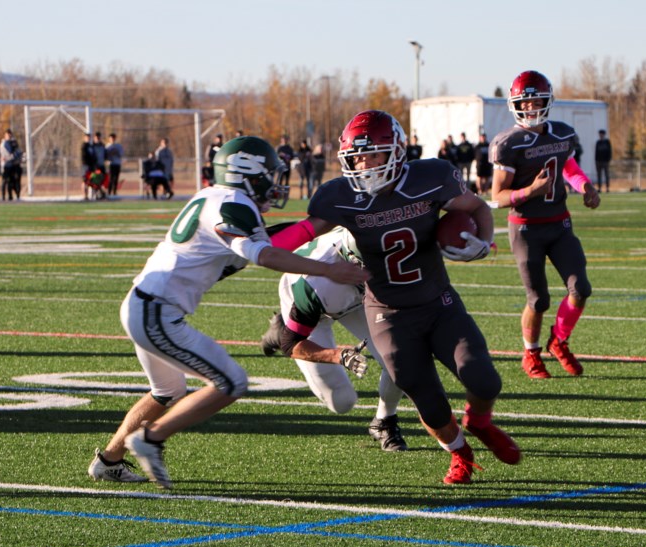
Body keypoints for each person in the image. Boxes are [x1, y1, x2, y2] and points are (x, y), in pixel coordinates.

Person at [95, 136, 369, 488]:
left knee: (167, 391)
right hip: (156, 312)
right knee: (232, 382)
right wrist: (330, 269)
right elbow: (266, 255)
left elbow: (268, 243)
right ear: (247, 173)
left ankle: (109, 460)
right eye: (269, 174)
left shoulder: (213, 196)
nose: (274, 182)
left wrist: (322, 223)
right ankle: (151, 439)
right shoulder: (233, 202)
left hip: (143, 304)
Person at [266, 110, 519, 485]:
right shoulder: (339, 197)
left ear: (397, 151)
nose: (364, 164)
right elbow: (300, 234)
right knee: (428, 403)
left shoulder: (430, 177)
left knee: (484, 380)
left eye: (373, 155)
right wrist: (252, 244)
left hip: (438, 302)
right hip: (388, 315)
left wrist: (483, 243)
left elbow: (478, 208)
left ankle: (478, 421)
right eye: (357, 157)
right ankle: (461, 453)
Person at [490, 70, 601, 380]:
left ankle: (559, 340)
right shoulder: (507, 143)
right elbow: (496, 197)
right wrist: (530, 192)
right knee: (538, 300)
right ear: (515, 105)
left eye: (536, 100)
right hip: (526, 228)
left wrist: (585, 187)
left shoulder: (561, 133)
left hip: (559, 223)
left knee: (581, 288)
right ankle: (531, 352)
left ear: (547, 100)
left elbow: (568, 167)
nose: (531, 107)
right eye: (525, 102)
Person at [259, 227, 408, 452]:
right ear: (349, 260)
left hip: (357, 301)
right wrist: (340, 356)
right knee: (341, 401)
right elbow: (292, 345)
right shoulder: (314, 286)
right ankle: (283, 327)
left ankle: (384, 421)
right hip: (313, 304)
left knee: (400, 357)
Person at [0, 129, 23, 200]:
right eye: (8, 135)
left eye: (10, 135)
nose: (9, 136)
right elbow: (9, 155)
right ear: (5, 135)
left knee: (14, 181)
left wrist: (16, 155)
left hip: (14, 165)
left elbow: (19, 151)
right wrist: (14, 155)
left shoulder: (13, 143)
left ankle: (16, 195)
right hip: (6, 165)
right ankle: (4, 196)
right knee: (5, 181)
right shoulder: (4, 144)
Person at [80, 132, 97, 199]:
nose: (88, 139)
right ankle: (85, 195)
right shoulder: (84, 146)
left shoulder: (91, 146)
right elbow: (84, 156)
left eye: (89, 137)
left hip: (91, 166)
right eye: (87, 137)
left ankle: (92, 195)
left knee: (91, 180)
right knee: (85, 180)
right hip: (85, 166)